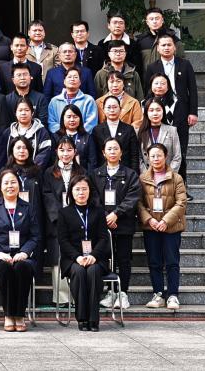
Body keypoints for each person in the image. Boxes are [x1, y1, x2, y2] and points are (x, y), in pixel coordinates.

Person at [0, 168, 41, 332]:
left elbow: (35, 236)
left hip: (23, 255)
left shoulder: (28, 207)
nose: (10, 186)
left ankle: (19, 315)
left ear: (19, 185)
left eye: (13, 182)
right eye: (6, 183)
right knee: (5, 268)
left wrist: (24, 252)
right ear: (0, 186)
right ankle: (8, 314)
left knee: (22, 267)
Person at [90, 138, 141, 313]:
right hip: (102, 225)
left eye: (115, 149)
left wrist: (116, 213)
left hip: (124, 224)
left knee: (124, 259)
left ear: (121, 153)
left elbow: (133, 197)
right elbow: (93, 197)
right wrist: (104, 216)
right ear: (103, 153)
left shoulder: (130, 174)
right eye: (109, 149)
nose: (112, 152)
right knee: (105, 258)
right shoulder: (95, 174)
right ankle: (110, 292)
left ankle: (123, 293)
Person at [56, 174, 111, 331]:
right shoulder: (64, 213)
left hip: (96, 258)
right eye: (77, 189)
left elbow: (103, 238)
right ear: (71, 192)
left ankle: (93, 319)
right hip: (73, 259)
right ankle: (82, 318)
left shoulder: (98, 212)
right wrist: (77, 257)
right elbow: (63, 240)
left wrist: (94, 255)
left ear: (90, 191)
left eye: (84, 189)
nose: (81, 192)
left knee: (93, 271)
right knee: (79, 272)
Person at [144, 33, 198, 191]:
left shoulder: (185, 65)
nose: (166, 48)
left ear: (175, 47)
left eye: (169, 45)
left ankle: (181, 187)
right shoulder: (152, 67)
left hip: (181, 111)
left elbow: (192, 90)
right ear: (158, 48)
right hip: (159, 111)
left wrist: (193, 112)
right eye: (163, 45)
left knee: (180, 150)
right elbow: (148, 91)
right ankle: (157, 184)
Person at [138, 143, 188, 311]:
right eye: (152, 156)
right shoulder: (142, 179)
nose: (156, 159)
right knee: (154, 262)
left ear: (165, 156)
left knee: (172, 262)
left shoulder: (176, 178)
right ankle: (158, 294)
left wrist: (166, 221)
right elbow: (138, 203)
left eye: (159, 155)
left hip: (171, 227)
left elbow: (181, 203)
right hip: (151, 227)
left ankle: (173, 295)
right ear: (148, 158)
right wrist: (149, 220)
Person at [41, 137, 87, 307]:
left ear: (75, 152)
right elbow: (47, 195)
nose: (65, 153)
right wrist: (59, 217)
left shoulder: (82, 171)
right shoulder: (49, 172)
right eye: (62, 150)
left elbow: (85, 193)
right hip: (57, 221)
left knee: (77, 256)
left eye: (69, 150)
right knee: (58, 258)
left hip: (77, 219)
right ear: (56, 152)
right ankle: (62, 298)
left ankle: (76, 296)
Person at [91, 95, 142, 173]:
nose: (112, 110)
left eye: (115, 107)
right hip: (103, 173)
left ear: (120, 109)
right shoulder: (97, 130)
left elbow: (134, 155)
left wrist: (134, 174)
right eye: (109, 107)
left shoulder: (129, 129)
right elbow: (94, 156)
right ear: (103, 109)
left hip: (125, 172)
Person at [47, 67, 99, 134]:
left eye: (75, 77)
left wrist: (76, 135)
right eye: (69, 77)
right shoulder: (54, 101)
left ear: (80, 82)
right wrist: (65, 135)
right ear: (64, 81)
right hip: (60, 138)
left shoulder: (89, 100)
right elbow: (51, 123)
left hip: (82, 138)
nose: (72, 79)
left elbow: (91, 123)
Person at [138, 97, 183, 175]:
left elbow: (177, 157)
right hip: (146, 177)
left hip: (168, 176)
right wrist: (147, 176)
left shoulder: (172, 130)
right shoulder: (139, 131)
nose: (155, 113)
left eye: (158, 110)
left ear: (163, 111)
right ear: (146, 113)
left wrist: (167, 175)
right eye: (151, 110)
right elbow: (138, 158)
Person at [5, 97, 52, 170]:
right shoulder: (8, 132)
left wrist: (31, 170)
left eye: (26, 110)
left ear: (32, 113)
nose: (23, 113)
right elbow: (3, 155)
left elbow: (44, 154)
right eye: (20, 110)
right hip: (11, 172)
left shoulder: (42, 132)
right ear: (15, 113)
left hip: (34, 172)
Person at [53, 104, 98, 171]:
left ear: (80, 119)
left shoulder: (87, 137)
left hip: (82, 174)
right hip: (60, 174)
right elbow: (52, 160)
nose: (72, 120)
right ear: (63, 118)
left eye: (75, 117)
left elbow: (92, 162)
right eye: (69, 117)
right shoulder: (56, 136)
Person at [2, 61, 49, 126]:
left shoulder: (40, 98)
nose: (22, 78)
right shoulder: (6, 100)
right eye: (19, 75)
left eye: (25, 74)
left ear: (31, 77)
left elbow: (43, 122)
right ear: (13, 80)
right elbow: (6, 123)